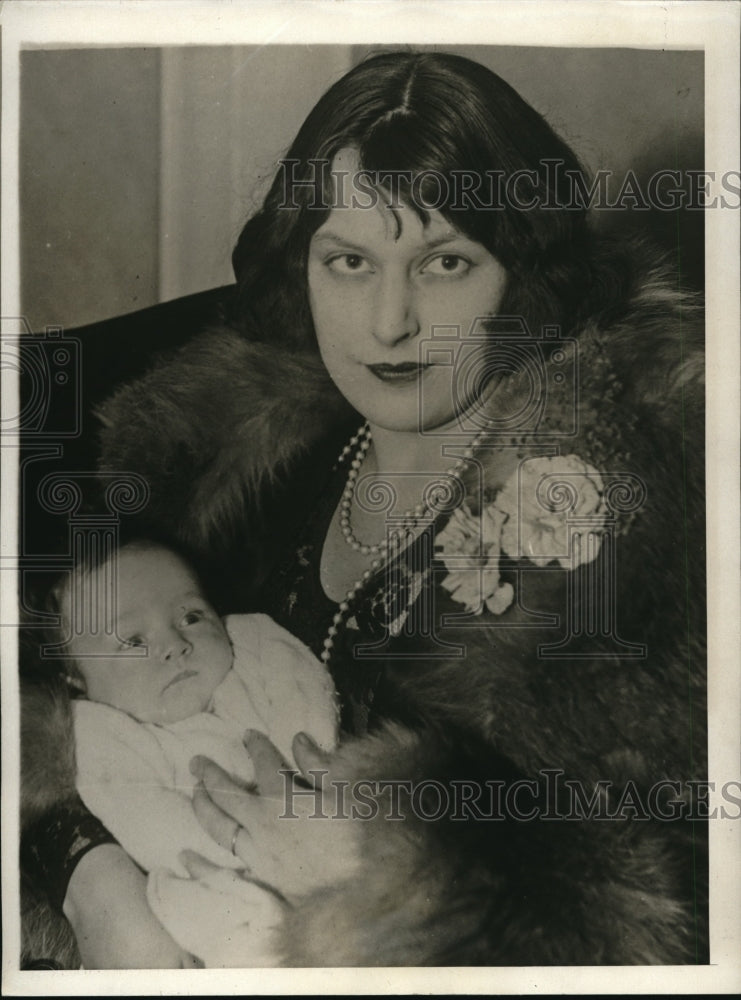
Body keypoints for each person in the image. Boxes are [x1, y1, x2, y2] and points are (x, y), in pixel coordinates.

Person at [20, 50, 706, 967]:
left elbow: (678, 893)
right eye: (347, 261)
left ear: (522, 275)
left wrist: (389, 869)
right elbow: (48, 681)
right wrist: (87, 871)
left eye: (445, 263)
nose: (389, 322)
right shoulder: (225, 463)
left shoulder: (609, 517)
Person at [46, 538, 338, 968]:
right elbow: (144, 819)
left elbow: (305, 697)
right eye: (133, 640)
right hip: (211, 877)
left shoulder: (251, 647)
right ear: (78, 679)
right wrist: (243, 850)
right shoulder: (100, 731)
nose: (175, 644)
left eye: (191, 616)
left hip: (323, 833)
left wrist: (308, 772)